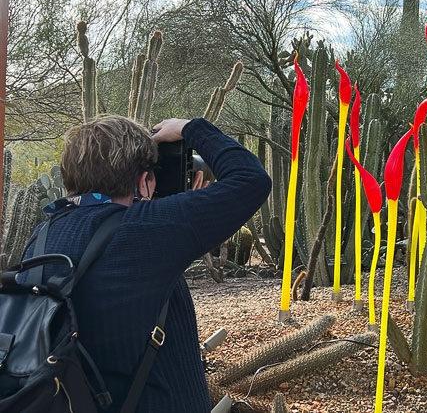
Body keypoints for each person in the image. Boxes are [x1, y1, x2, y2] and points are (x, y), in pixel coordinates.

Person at [21, 115, 272, 412]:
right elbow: (251, 179)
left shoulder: (43, 235)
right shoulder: (147, 230)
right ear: (143, 181)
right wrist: (190, 128)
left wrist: (171, 217)